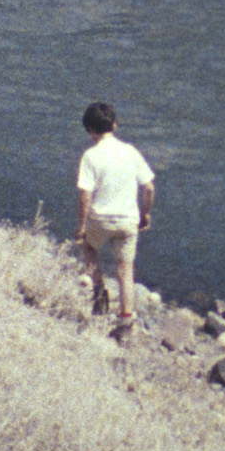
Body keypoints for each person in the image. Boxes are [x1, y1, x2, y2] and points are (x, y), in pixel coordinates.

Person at [74, 102, 155, 334]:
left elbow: (85, 194)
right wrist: (145, 213)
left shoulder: (90, 156)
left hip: (100, 218)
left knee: (89, 247)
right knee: (125, 269)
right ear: (115, 125)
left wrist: (81, 226)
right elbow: (149, 187)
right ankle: (126, 321)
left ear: (89, 130)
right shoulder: (130, 151)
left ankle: (99, 294)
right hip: (128, 220)